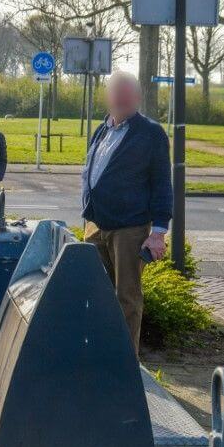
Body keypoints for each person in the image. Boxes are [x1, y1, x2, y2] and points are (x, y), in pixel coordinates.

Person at [81, 70, 171, 356]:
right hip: (95, 226)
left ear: (138, 97)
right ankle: (99, 355)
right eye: (115, 92)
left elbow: (162, 183)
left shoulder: (150, 133)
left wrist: (158, 233)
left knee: (126, 298)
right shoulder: (102, 129)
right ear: (107, 96)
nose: (120, 98)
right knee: (94, 293)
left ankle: (125, 365)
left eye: (127, 92)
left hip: (129, 229)